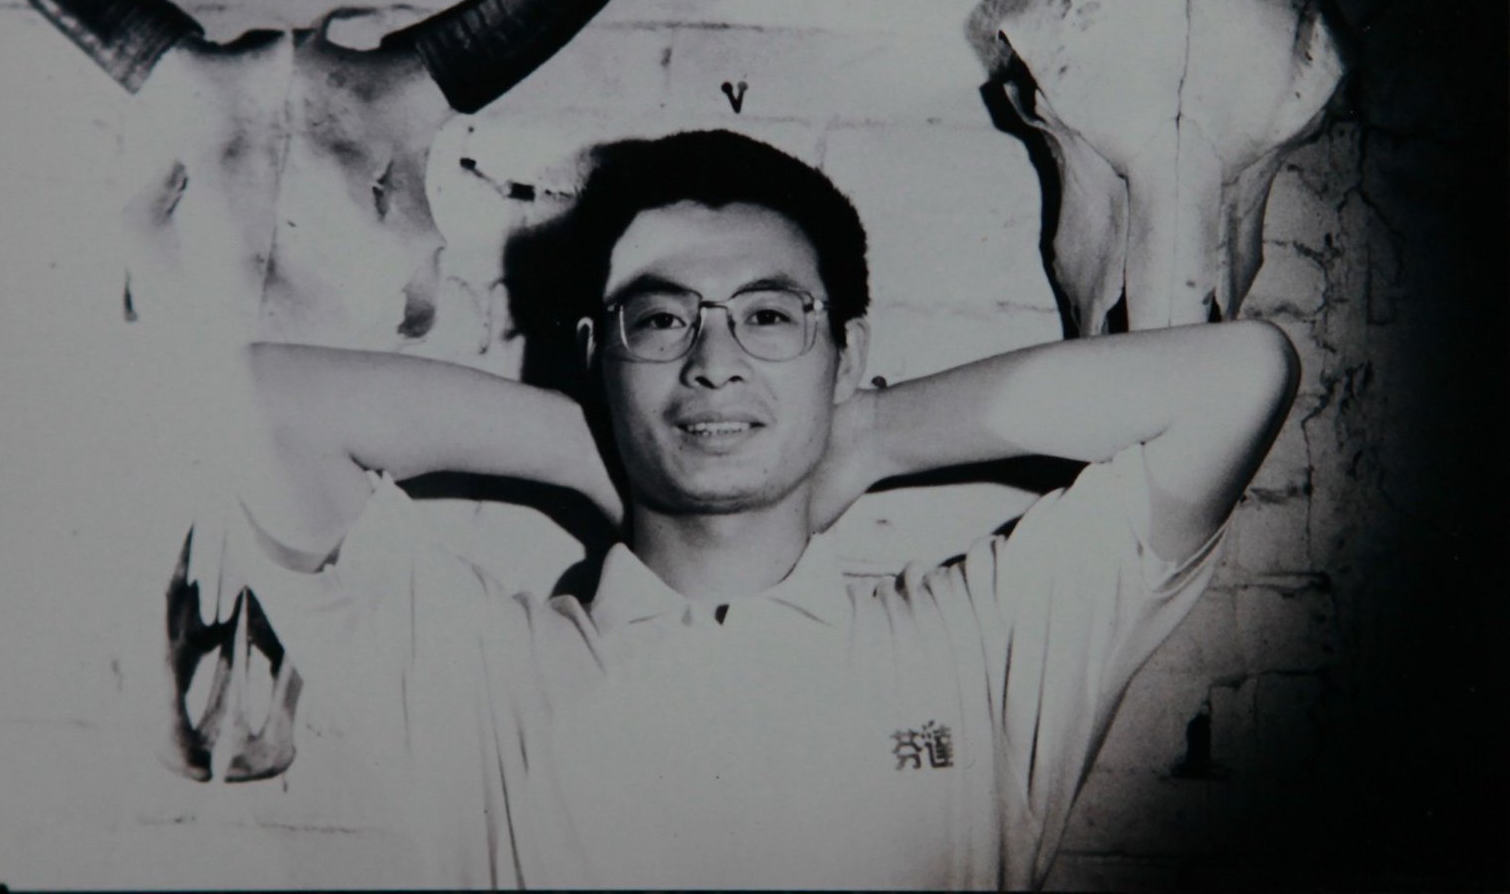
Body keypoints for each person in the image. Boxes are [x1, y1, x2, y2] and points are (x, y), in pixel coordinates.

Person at [230, 129, 1298, 889]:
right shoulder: (485, 674)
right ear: (597, 356)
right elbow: (263, 405)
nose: (714, 361)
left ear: (848, 352)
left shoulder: (980, 646)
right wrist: (607, 453)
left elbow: (1239, 376)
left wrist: (865, 435)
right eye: (661, 320)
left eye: (770, 316)